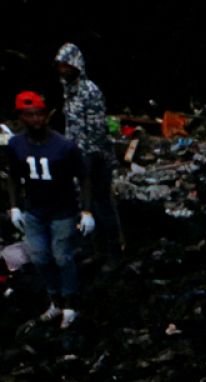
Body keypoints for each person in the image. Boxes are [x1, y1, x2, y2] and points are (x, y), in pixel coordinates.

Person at [5, 91, 92, 328]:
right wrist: (14, 206)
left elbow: (84, 176)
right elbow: (12, 175)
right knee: (40, 257)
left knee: (63, 256)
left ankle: (70, 303)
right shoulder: (16, 145)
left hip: (62, 210)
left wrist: (86, 210)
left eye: (39, 114)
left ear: (47, 115)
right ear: (21, 117)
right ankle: (55, 299)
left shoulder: (64, 146)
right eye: (29, 115)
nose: (35, 120)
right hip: (34, 210)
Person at [56, 43, 119, 266]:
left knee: (102, 205)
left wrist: (87, 161)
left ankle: (113, 253)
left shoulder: (89, 91)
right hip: (77, 157)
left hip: (96, 159)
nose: (62, 69)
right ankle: (95, 249)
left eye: (66, 64)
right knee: (84, 206)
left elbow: (96, 129)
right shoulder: (69, 91)